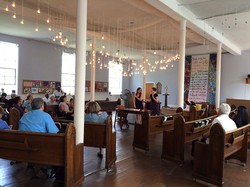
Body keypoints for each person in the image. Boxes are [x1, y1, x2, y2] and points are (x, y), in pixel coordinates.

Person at [18, 97, 59, 178]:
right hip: (40, 145)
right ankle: (44, 167)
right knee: (53, 144)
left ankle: (32, 166)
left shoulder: (25, 116)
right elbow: (53, 132)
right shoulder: (45, 116)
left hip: (25, 144)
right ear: (42, 106)